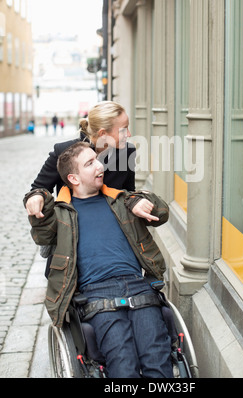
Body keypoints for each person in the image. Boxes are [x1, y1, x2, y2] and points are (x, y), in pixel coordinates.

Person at [24, 142, 173, 378]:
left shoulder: (122, 201)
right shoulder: (62, 213)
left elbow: (161, 213)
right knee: (124, 369)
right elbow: (41, 231)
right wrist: (37, 196)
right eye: (90, 163)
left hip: (139, 287)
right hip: (97, 296)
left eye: (97, 159)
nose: (99, 166)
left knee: (158, 365)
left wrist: (144, 201)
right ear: (73, 178)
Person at [25, 101, 136, 220]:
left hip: (113, 225)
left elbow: (129, 192)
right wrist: (36, 196)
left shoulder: (127, 151)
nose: (128, 134)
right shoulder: (64, 151)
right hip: (75, 229)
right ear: (103, 133)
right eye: (124, 130)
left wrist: (136, 202)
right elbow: (39, 188)